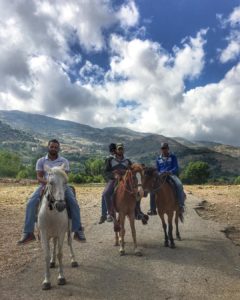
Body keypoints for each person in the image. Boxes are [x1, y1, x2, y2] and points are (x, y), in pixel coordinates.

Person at [17, 139, 86, 244]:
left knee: (73, 202)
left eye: (55, 147)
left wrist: (58, 183)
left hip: (61, 187)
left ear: (58, 148)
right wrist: (48, 182)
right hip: (45, 185)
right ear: (48, 147)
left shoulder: (64, 161)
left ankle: (78, 230)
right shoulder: (41, 161)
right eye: (51, 147)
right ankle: (28, 232)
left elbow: (65, 177)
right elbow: (39, 177)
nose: (53, 148)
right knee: (30, 202)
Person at [148, 142, 185, 219]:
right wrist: (159, 173)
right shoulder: (158, 159)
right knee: (152, 189)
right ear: (161, 149)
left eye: (165, 148)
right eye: (162, 148)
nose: (164, 150)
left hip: (171, 175)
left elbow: (176, 167)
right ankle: (152, 209)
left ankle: (181, 205)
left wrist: (170, 172)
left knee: (179, 185)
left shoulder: (173, 157)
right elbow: (157, 169)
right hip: (161, 176)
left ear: (168, 149)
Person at [99, 143, 117, 224]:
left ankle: (137, 211)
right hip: (113, 179)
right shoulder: (109, 159)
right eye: (112, 150)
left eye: (114, 150)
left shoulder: (121, 158)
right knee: (104, 194)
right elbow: (106, 172)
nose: (113, 152)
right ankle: (105, 214)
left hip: (123, 178)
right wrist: (111, 178)